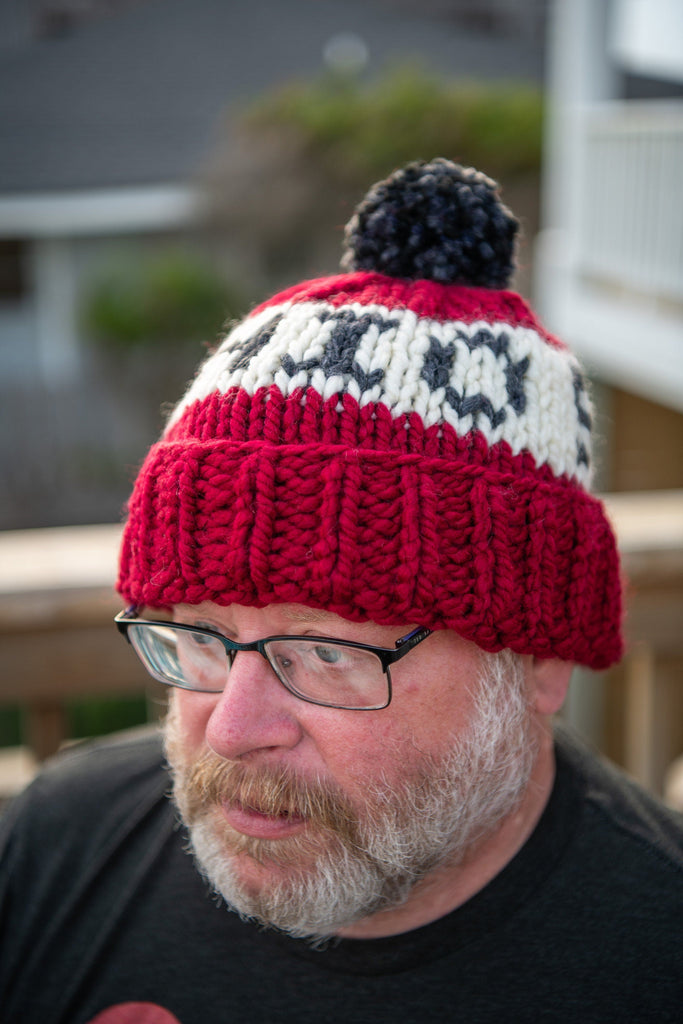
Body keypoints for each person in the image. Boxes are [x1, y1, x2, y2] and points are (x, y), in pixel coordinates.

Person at [1, 160, 681, 1024]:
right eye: (203, 639)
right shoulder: (59, 843)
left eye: (322, 652)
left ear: (538, 662)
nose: (237, 730)